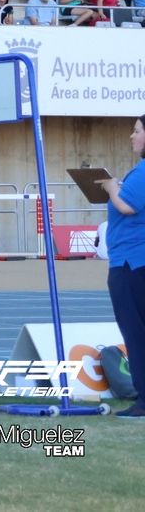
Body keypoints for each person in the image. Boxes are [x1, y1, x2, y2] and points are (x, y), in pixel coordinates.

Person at [100, 114, 145, 417]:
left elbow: (127, 206)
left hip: (131, 262)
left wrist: (109, 186)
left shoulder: (142, 171)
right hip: (134, 260)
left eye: (137, 131)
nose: (132, 136)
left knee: (136, 333)